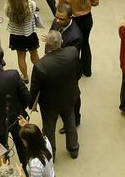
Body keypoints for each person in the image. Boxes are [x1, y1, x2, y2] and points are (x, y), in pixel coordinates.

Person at [29, 30, 81, 159]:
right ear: (62, 41)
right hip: (69, 96)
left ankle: (50, 154)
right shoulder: (72, 52)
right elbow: (78, 71)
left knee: (49, 128)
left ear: (46, 46)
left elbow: (35, 88)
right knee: (70, 121)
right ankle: (73, 148)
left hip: (49, 102)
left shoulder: (40, 65)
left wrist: (31, 104)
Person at [57, 0, 99, 77]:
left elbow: (60, 7)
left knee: (73, 47)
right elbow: (96, 2)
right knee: (85, 43)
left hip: (73, 22)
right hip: (87, 19)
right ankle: (87, 70)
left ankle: (75, 72)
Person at [4, 0, 41, 79]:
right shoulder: (31, 5)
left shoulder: (7, 8)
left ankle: (25, 76)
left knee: (21, 57)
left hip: (16, 36)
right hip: (30, 34)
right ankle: (40, 72)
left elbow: (8, 14)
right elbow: (28, 1)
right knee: (34, 53)